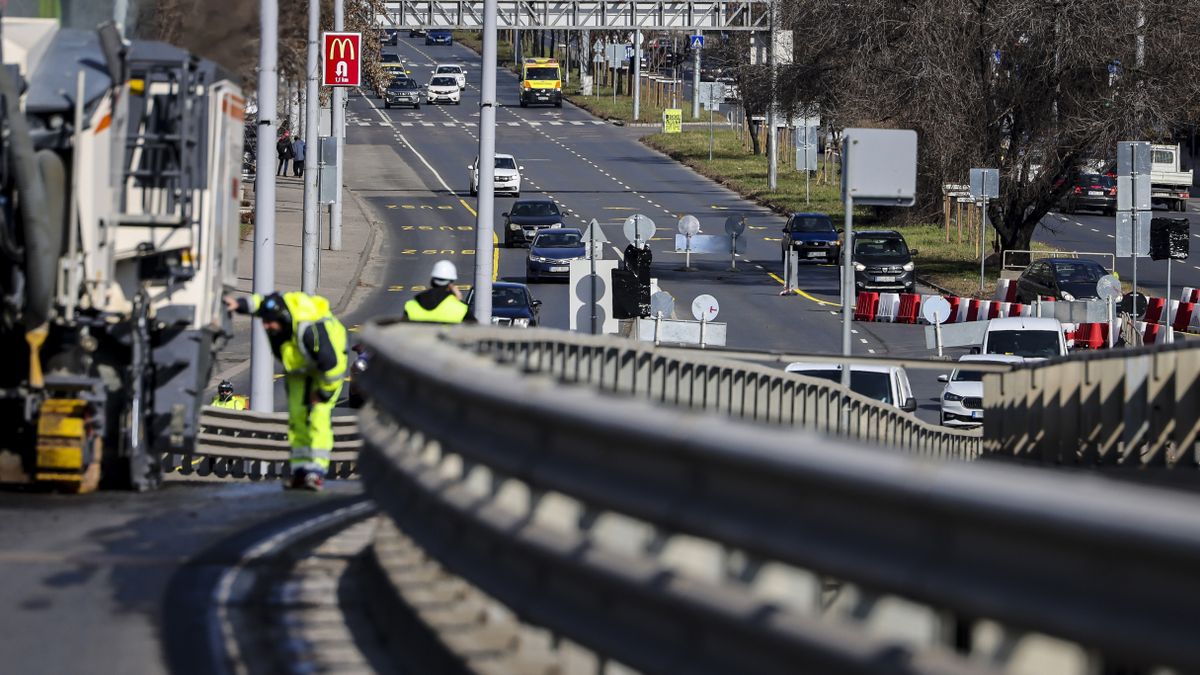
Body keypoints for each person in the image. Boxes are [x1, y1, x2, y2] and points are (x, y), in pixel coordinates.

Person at [224, 291, 348, 490]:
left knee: (317, 417)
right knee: (298, 418)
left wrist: (322, 393)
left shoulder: (309, 331)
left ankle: (316, 472)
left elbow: (333, 367)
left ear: (283, 318)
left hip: (325, 371)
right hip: (300, 368)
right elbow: (259, 303)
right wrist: (238, 304)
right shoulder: (274, 309)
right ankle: (301, 471)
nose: (266, 326)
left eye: (270, 323)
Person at [402, 260, 470, 323]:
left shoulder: (411, 306)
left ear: (432, 281)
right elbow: (473, 328)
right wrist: (459, 301)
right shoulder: (460, 308)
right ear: (451, 283)